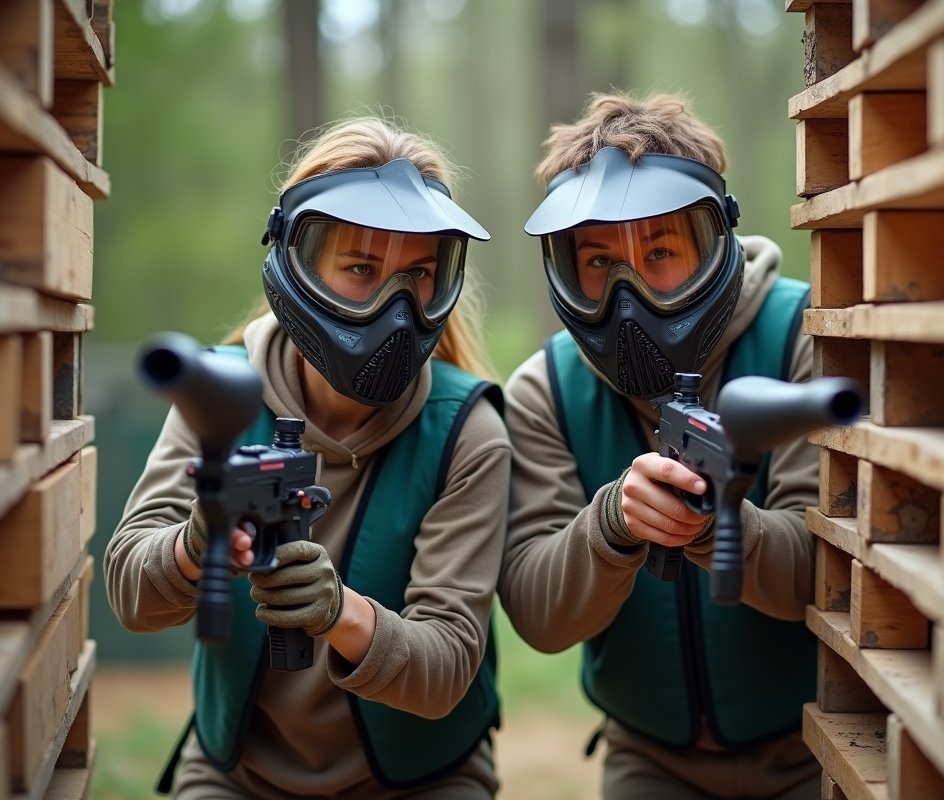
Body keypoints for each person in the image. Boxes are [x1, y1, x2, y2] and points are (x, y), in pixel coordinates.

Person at [105, 117, 510, 800]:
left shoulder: (466, 431)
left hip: (423, 777)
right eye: (360, 269)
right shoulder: (219, 398)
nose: (394, 307)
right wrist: (195, 545)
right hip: (241, 773)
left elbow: (445, 672)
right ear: (297, 264)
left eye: (417, 276)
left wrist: (339, 614)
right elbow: (130, 598)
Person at [499, 92, 821, 799]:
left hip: (816, 744)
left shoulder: (803, 335)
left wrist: (714, 524)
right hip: (649, 759)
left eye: (662, 251)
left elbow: (819, 577)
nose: (629, 288)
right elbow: (539, 614)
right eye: (597, 261)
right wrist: (616, 523)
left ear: (716, 243)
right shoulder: (545, 389)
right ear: (563, 267)